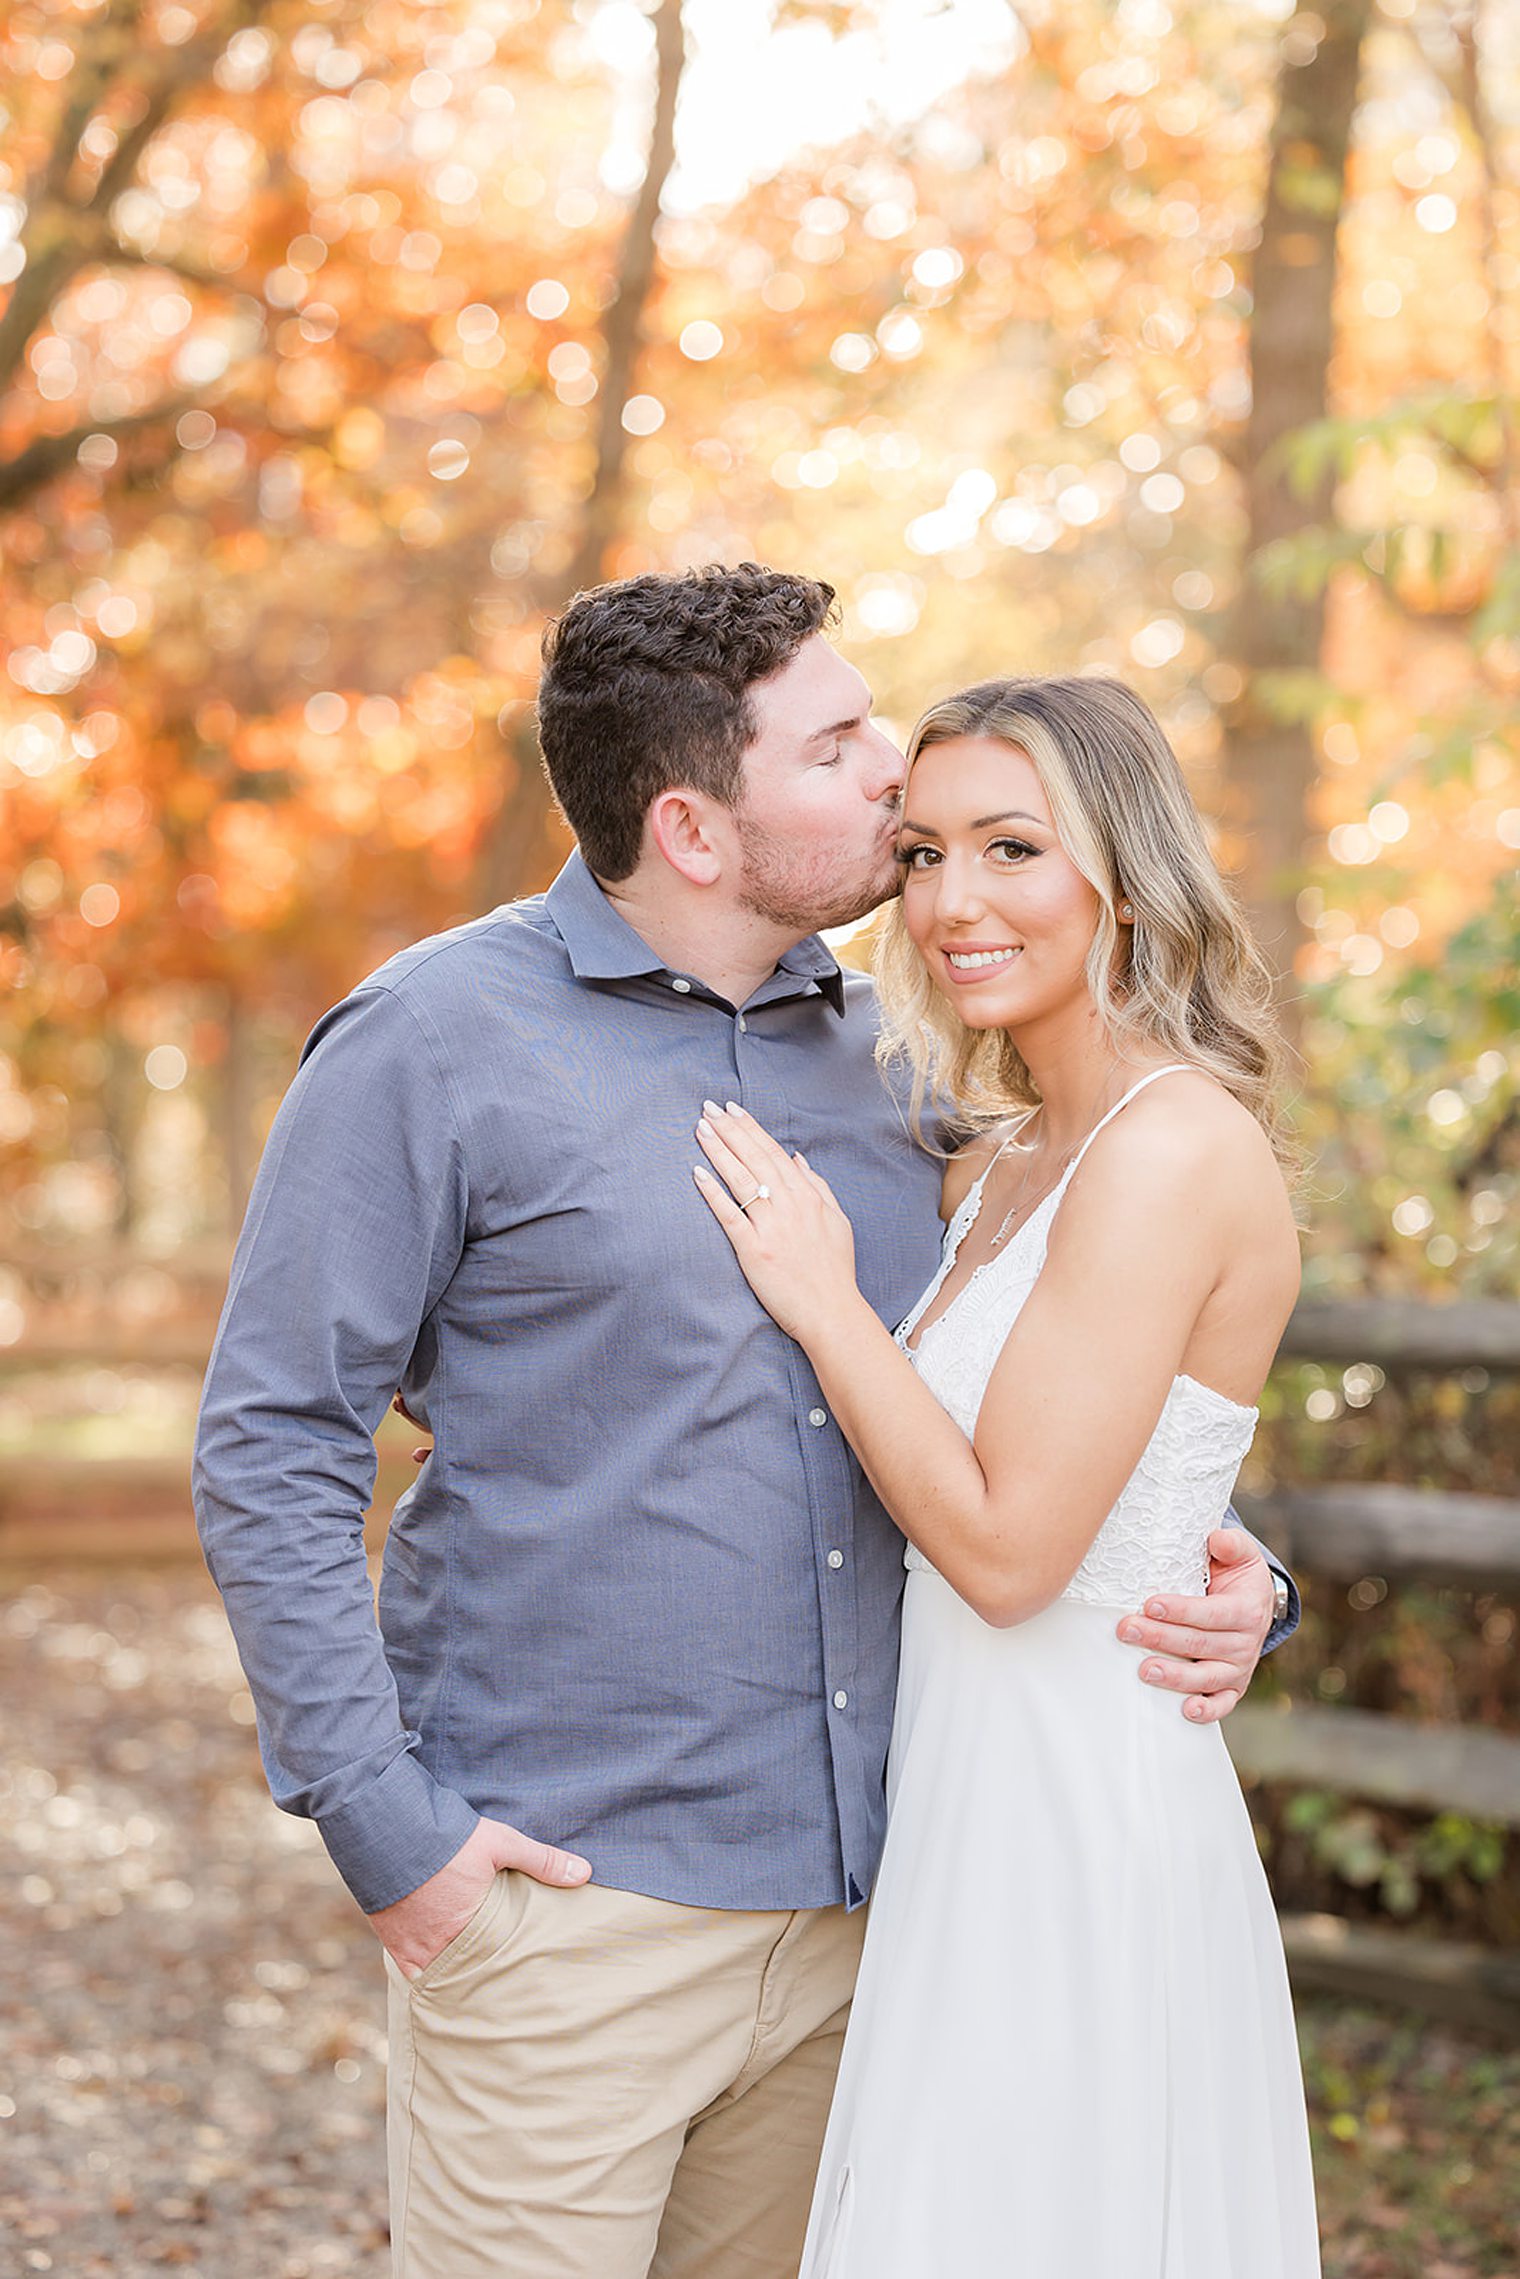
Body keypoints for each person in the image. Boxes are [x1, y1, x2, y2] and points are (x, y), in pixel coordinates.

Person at [192, 567, 1298, 2279]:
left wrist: (1225, 1565)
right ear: (697, 829)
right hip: (576, 1912)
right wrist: (384, 1830)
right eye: (844, 746)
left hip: (886, 1915)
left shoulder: (909, 1070)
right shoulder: (433, 1042)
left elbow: (1059, 1386)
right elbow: (273, 1441)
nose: (890, 785)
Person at [692, 672, 1320, 2276]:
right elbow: (1103, 1459)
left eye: (1011, 848)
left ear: (1122, 871)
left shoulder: (1173, 1146)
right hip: (958, 1808)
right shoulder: (999, 1152)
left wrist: (830, 1306)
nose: (953, 901)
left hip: (1077, 1822)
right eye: (920, 853)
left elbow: (1009, 1551)